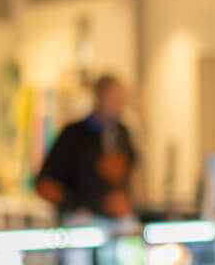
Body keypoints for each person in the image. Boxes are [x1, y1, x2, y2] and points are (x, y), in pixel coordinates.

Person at [35, 74, 138, 221]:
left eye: (120, 98)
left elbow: (127, 176)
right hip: (83, 220)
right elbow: (45, 184)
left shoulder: (122, 133)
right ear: (98, 97)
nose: (117, 104)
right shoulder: (74, 134)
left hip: (117, 222)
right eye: (112, 98)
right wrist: (79, 205)